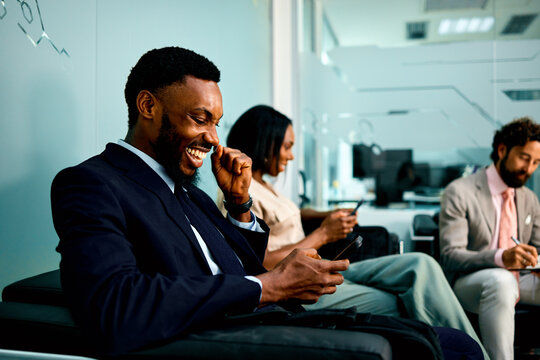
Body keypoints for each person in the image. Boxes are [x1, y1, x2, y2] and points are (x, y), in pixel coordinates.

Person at [51, 47, 482, 359]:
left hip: (270, 314)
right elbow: (114, 304)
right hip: (239, 331)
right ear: (148, 106)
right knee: (450, 344)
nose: (213, 138)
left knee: (441, 336)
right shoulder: (91, 184)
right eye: (200, 119)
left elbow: (246, 264)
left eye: (216, 123)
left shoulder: (190, 191)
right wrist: (269, 288)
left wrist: (240, 206)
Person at [220, 104, 485, 356]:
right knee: (407, 299)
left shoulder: (264, 185)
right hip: (300, 287)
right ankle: (469, 353)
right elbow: (256, 261)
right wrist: (323, 233)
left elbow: (286, 217)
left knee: (421, 264)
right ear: (264, 142)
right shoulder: (238, 195)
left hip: (320, 266)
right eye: (287, 146)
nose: (291, 155)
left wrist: (328, 215)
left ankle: (471, 352)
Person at [439, 117, 540, 360]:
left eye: (536, 162)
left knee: (507, 280)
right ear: (502, 150)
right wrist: (501, 257)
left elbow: (537, 247)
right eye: (524, 158)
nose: (529, 169)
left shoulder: (528, 198)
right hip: (471, 281)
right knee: (501, 280)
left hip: (522, 279)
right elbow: (450, 256)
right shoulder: (460, 191)